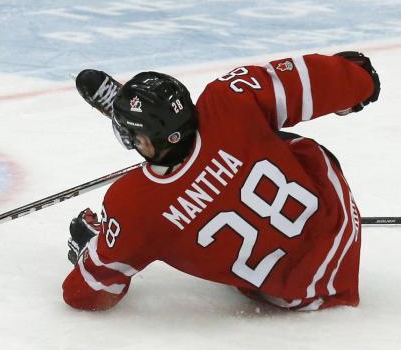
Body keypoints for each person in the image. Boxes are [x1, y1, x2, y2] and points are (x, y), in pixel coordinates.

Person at [64, 52, 379, 311]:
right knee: (256, 134)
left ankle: (138, 116)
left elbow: (85, 293)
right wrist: (355, 83)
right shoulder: (227, 99)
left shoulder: (132, 204)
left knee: (154, 230)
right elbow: (306, 82)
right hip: (339, 225)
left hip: (293, 293)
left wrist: (90, 247)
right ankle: (145, 112)